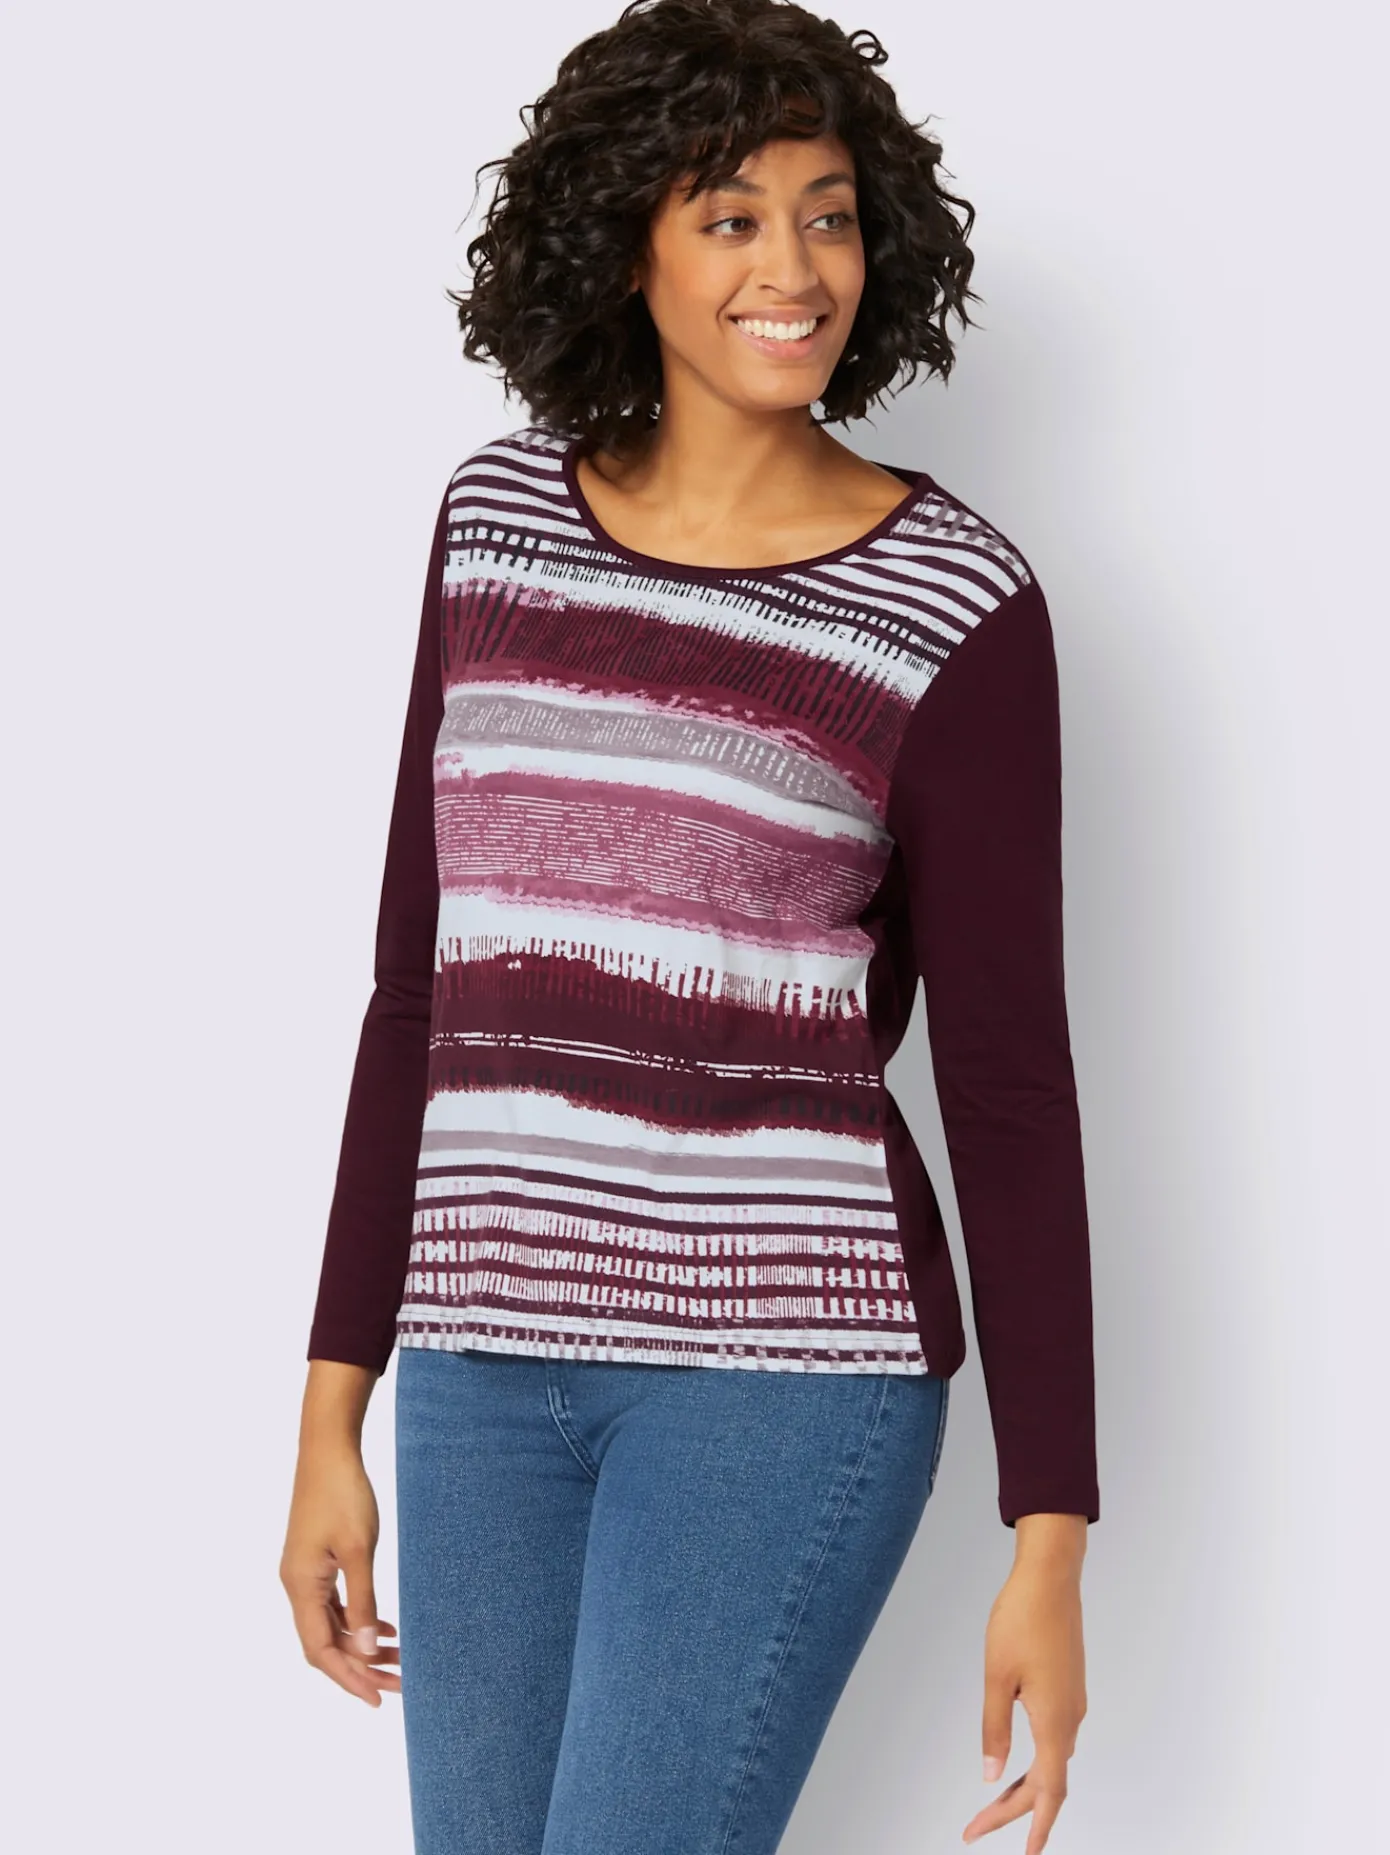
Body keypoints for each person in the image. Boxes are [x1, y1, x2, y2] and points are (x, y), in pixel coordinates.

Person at [279, 3, 1099, 1851]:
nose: (790, 270)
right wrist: (334, 1406)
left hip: (783, 1375)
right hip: (480, 1359)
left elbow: (1007, 1080)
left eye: (828, 214)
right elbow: (414, 990)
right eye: (728, 216)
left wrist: (1048, 1531)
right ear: (622, 243)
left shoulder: (951, 603)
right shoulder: (495, 525)